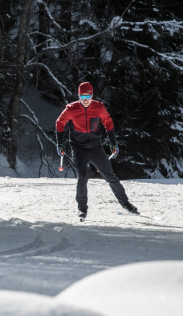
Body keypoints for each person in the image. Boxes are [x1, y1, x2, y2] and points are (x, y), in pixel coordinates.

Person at [55, 82, 138, 221]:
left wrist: (113, 143)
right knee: (82, 177)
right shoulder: (71, 109)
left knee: (110, 176)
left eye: (88, 96)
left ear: (92, 96)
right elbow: (60, 123)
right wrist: (60, 143)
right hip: (78, 147)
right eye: (82, 96)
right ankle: (82, 209)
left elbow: (108, 123)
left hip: (95, 147)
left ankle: (126, 204)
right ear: (78, 96)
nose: (85, 99)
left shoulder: (98, 107)